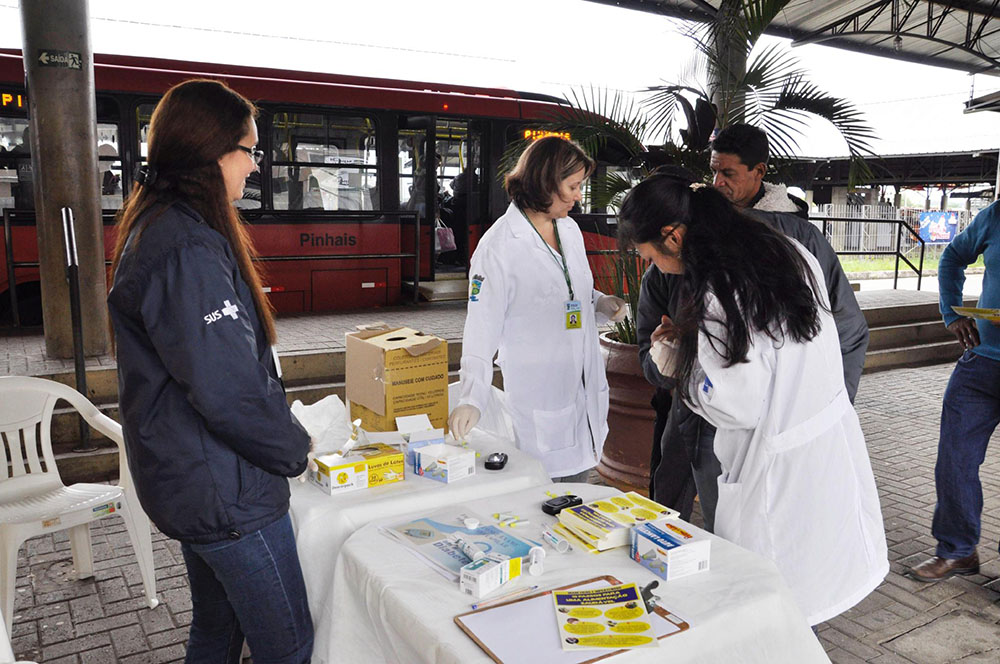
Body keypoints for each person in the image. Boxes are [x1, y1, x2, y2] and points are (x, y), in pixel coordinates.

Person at [619, 174, 887, 626]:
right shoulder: (786, 251)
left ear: (674, 236)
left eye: (648, 254)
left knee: (771, 604)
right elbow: (777, 346)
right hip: (821, 441)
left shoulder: (719, 293)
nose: (652, 266)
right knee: (805, 592)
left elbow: (734, 404)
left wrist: (681, 365)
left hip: (776, 467)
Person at [107, 79, 314, 664]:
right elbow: (227, 390)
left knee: (218, 631)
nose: (255, 164)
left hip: (198, 482)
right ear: (209, 151)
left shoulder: (164, 225)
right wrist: (294, 447)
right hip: (226, 495)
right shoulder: (186, 249)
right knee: (289, 646)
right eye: (248, 149)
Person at [448, 136, 626, 481]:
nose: (579, 196)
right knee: (547, 501)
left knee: (581, 495)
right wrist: (472, 397)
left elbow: (568, 290)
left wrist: (599, 302)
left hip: (585, 392)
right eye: (573, 186)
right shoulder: (499, 247)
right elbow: (481, 330)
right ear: (546, 182)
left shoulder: (569, 229)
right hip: (541, 397)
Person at [910, 201, 1000, 582]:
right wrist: (953, 313)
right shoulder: (995, 216)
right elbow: (952, 258)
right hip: (979, 365)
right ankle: (958, 550)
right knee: (954, 463)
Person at [710, 123, 808, 218]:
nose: (716, 183)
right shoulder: (705, 216)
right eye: (714, 171)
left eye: (728, 174)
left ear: (759, 171)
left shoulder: (789, 228)